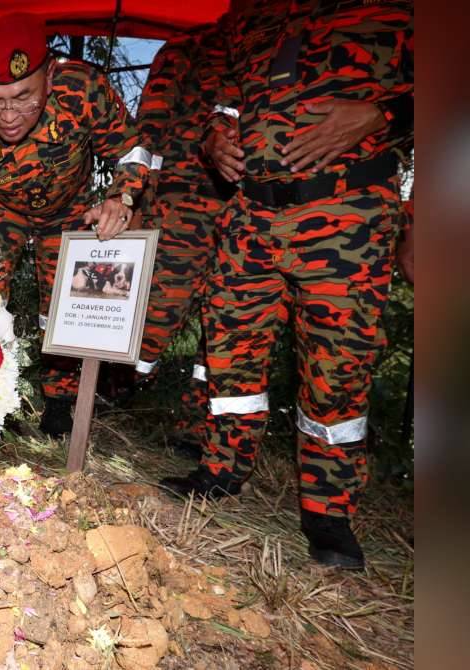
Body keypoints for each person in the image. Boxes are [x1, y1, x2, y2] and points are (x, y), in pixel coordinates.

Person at [162, 0, 414, 569]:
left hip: (347, 210)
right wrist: (214, 137)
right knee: (230, 351)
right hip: (250, 213)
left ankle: (328, 512)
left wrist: (384, 115)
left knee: (337, 367)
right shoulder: (249, 16)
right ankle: (221, 470)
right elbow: (227, 99)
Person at [0, 14, 154, 436]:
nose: (9, 115)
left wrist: (122, 197)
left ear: (50, 76)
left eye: (23, 97)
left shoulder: (82, 91)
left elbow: (131, 149)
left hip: (70, 209)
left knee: (67, 303)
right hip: (2, 213)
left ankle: (61, 401)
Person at [111, 25, 233, 454]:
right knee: (158, 311)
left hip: (249, 205)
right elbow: (150, 128)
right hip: (183, 201)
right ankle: (114, 393)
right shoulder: (191, 45)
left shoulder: (280, 45)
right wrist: (138, 198)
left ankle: (199, 425)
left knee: (224, 324)